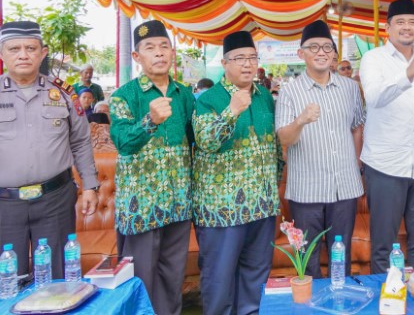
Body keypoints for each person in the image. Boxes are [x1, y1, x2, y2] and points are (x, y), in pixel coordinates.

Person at [193, 31, 283, 314]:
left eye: (252, 57)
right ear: (225, 63)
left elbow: (276, 148)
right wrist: (231, 112)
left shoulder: (264, 97)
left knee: (256, 275)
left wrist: (274, 187)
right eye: (240, 58)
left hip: (262, 205)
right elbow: (206, 142)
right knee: (219, 278)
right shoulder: (209, 99)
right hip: (223, 209)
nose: (247, 64)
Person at [0, 21, 99, 279]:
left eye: (31, 48)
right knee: (7, 282)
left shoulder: (64, 93)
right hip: (4, 205)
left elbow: (80, 141)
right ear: (2, 54)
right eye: (14, 49)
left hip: (55, 200)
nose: (23, 54)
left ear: (42, 53)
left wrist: (90, 186)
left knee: (57, 279)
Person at [109, 20, 195, 315]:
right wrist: (150, 121)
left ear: (172, 53)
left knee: (173, 275)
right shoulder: (124, 95)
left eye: (163, 47)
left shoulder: (184, 94)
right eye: (149, 48)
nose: (158, 53)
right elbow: (122, 142)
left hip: (179, 201)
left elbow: (193, 138)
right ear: (137, 57)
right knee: (140, 277)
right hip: (141, 205)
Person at [276, 20, 365, 278]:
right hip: (307, 190)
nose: (321, 52)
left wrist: (356, 164)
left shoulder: (349, 88)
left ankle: (341, 300)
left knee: (341, 252)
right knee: (308, 256)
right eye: (313, 47)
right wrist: (300, 121)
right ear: (301, 54)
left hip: (345, 187)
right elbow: (284, 137)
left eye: (327, 47)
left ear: (334, 54)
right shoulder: (290, 92)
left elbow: (357, 126)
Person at [359, 0, 414, 274]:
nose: (407, 28)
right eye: (400, 22)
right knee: (384, 244)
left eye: (412, 22)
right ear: (388, 28)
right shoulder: (373, 59)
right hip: (385, 166)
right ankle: (387, 300)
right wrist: (407, 74)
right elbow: (374, 98)